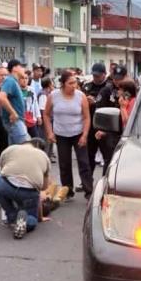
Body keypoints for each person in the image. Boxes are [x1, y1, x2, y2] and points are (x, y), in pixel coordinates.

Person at [43, 70, 93, 199]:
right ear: (63, 84)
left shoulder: (81, 96)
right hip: (61, 134)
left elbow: (87, 117)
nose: (74, 85)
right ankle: (68, 191)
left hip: (78, 133)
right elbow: (47, 115)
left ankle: (89, 191)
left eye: (75, 82)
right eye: (70, 83)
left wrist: (85, 135)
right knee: (64, 164)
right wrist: (49, 132)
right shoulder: (53, 96)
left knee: (84, 163)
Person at [0, 137, 51, 239]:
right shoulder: (44, 157)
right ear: (40, 148)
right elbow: (43, 187)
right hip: (29, 192)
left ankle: (11, 214)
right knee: (32, 217)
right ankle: (27, 221)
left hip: (7, 185)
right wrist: (40, 217)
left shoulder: (11, 149)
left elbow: (2, 170)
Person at [93, 64, 128, 176]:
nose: (117, 81)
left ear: (126, 77)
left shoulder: (131, 90)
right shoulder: (106, 91)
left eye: (121, 78)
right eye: (115, 78)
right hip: (110, 133)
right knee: (110, 161)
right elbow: (100, 111)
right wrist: (102, 130)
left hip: (127, 130)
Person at [82, 62, 110, 174]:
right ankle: (87, 181)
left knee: (107, 156)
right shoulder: (87, 86)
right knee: (88, 156)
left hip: (105, 126)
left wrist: (96, 103)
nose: (95, 78)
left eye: (98, 76)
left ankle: (106, 180)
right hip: (90, 125)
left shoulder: (109, 87)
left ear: (104, 74)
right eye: (94, 75)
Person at [0, 59, 29, 145]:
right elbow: (1, 98)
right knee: (23, 148)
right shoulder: (10, 80)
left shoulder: (14, 81)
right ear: (14, 68)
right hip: (15, 121)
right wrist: (13, 113)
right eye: (22, 67)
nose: (24, 69)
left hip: (17, 121)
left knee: (14, 151)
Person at [38, 77, 56, 162]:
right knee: (46, 139)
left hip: (51, 119)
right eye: (52, 83)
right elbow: (43, 110)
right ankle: (44, 158)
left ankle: (49, 155)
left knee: (50, 139)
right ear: (49, 84)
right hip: (46, 121)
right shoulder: (43, 94)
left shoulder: (49, 93)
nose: (53, 85)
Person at [20, 74, 42, 141]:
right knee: (22, 140)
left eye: (26, 78)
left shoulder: (31, 89)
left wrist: (38, 116)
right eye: (22, 78)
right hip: (21, 119)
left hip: (31, 118)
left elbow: (35, 103)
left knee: (36, 139)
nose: (24, 80)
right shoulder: (17, 90)